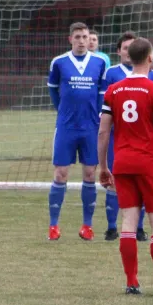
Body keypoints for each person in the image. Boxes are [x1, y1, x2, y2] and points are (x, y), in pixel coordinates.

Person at [98, 37, 153, 297]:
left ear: (129, 57)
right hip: (150, 164)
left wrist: (104, 166)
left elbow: (103, 132)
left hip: (123, 163)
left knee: (128, 220)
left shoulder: (113, 90)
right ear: (150, 57)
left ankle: (131, 282)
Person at [46, 22, 106, 241]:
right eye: (78, 36)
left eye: (85, 36)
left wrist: (98, 115)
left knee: (90, 174)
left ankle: (87, 226)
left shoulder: (99, 63)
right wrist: (62, 110)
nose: (82, 40)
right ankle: (53, 226)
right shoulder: (59, 62)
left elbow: (102, 92)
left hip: (90, 127)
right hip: (66, 127)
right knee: (61, 174)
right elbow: (53, 89)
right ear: (70, 39)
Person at [100, 31, 153, 242]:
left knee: (138, 183)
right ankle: (111, 227)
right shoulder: (111, 74)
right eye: (125, 47)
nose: (128, 51)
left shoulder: (152, 76)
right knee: (115, 183)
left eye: (131, 47)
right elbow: (105, 109)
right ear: (119, 51)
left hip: (141, 139)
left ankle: (139, 228)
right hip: (118, 137)